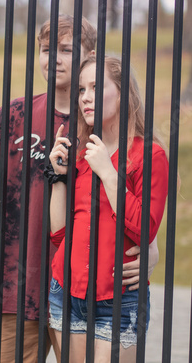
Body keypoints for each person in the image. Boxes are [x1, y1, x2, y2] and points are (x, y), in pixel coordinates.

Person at [0, 16, 157, 362]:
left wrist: (150, 250)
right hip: (18, 289)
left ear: (90, 56)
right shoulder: (16, 114)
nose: (53, 57)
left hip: (85, 293)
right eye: (46, 49)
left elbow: (132, 191)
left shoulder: (100, 123)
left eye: (67, 50)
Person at [48, 55, 169, 362]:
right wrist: (59, 178)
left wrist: (108, 172)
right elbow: (59, 236)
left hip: (120, 301)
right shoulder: (80, 152)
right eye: (81, 90)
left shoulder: (150, 155)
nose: (85, 97)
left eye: (95, 87)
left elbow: (144, 229)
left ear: (123, 94)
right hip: (66, 292)